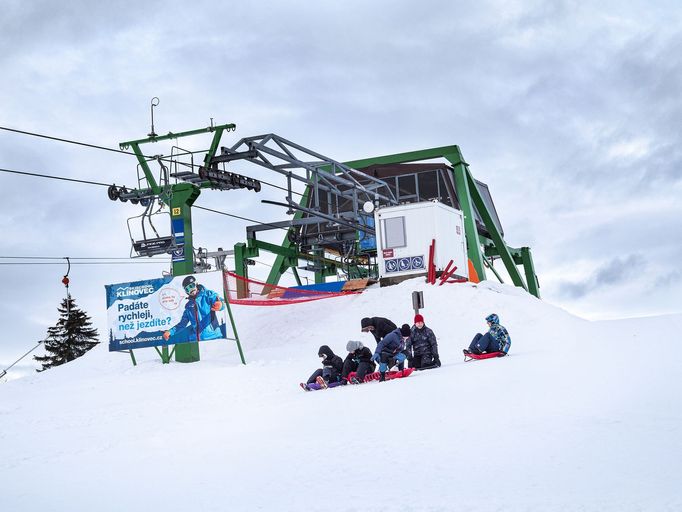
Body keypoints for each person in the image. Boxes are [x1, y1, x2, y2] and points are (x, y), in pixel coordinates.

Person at [163, 275, 224, 342]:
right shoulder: (189, 306)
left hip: (214, 337)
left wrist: (221, 305)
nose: (190, 290)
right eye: (187, 289)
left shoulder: (207, 295)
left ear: (196, 284)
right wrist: (170, 332)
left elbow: (221, 301)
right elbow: (182, 324)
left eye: (191, 286)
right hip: (197, 341)